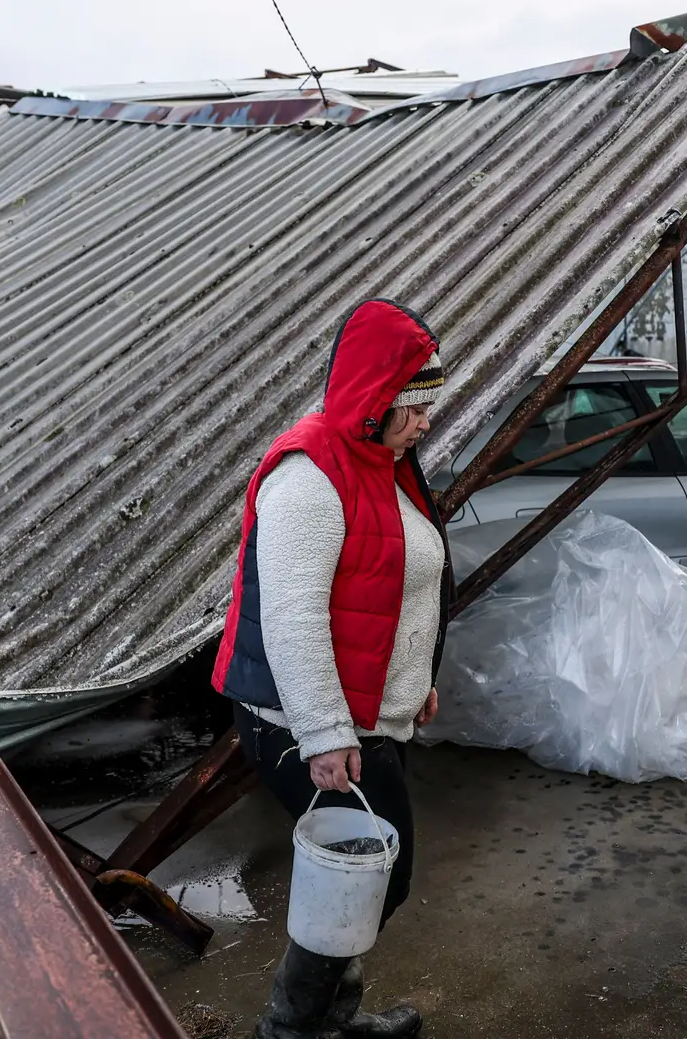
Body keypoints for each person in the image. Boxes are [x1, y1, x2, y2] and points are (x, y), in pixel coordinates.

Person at [211, 298, 452, 1039]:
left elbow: (391, 586)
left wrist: (416, 681)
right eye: (411, 407)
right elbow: (293, 621)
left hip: (370, 715)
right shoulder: (310, 479)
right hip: (305, 723)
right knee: (376, 873)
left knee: (364, 874)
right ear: (374, 402)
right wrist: (322, 734)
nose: (423, 423)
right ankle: (294, 1028)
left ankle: (326, 1020)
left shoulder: (383, 464)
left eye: (428, 407)